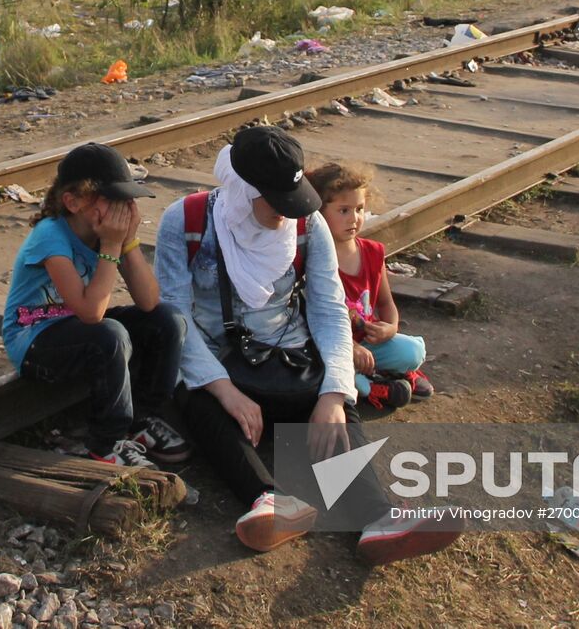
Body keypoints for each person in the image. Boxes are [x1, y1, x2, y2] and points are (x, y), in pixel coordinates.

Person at [154, 125, 458, 565]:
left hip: (289, 365)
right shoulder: (185, 222)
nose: (286, 214)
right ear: (243, 190)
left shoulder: (306, 222)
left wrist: (335, 394)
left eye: (291, 202)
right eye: (275, 203)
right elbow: (176, 318)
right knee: (197, 395)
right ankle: (270, 501)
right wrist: (226, 391)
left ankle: (375, 518)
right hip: (222, 369)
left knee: (333, 408)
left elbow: (329, 309)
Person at [2, 143, 190, 468]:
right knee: (111, 334)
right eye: (110, 199)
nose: (122, 207)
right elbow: (91, 313)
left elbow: (148, 300)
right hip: (35, 340)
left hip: (79, 329)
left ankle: (143, 419)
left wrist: (126, 241)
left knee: (167, 320)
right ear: (72, 202)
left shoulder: (104, 233)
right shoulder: (50, 235)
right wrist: (112, 245)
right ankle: (106, 443)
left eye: (125, 199)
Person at [306, 162, 433, 410]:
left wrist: (391, 328)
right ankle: (374, 387)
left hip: (369, 343)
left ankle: (396, 372)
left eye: (360, 209)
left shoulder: (373, 253)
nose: (354, 218)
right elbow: (308, 319)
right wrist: (350, 348)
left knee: (413, 351)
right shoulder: (313, 257)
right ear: (319, 213)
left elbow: (386, 303)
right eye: (343, 211)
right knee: (328, 373)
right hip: (333, 348)